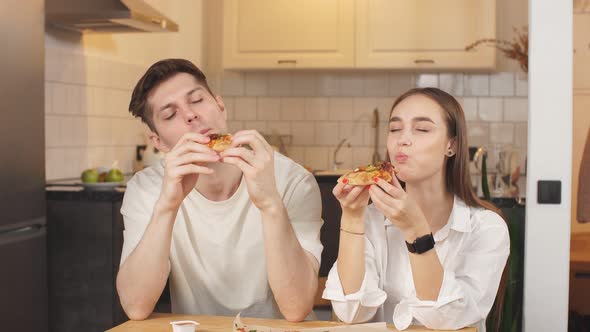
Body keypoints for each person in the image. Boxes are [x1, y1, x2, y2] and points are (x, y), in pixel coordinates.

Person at [116, 58, 323, 322]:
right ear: (159, 142)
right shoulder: (146, 189)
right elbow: (136, 306)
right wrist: (167, 207)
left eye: (197, 100)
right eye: (170, 114)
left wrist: (271, 203)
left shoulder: (293, 180)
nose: (190, 114)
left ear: (220, 106)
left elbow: (296, 308)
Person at [322, 87, 509, 331]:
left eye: (421, 129)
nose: (402, 139)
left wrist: (416, 232)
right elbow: (350, 312)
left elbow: (448, 319)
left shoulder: (487, 228)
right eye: (395, 129)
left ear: (451, 145)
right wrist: (353, 218)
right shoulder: (372, 220)